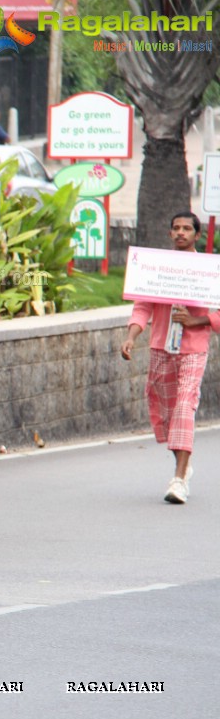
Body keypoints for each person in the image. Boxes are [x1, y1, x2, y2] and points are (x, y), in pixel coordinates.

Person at [120, 211, 220, 504]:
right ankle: (185, 464)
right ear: (169, 233)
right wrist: (131, 337)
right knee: (165, 408)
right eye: (175, 228)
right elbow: (142, 306)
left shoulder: (210, 270)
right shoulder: (157, 267)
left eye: (187, 228)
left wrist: (197, 321)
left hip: (192, 349)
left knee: (184, 407)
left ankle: (178, 480)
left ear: (196, 235)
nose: (180, 233)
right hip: (161, 347)